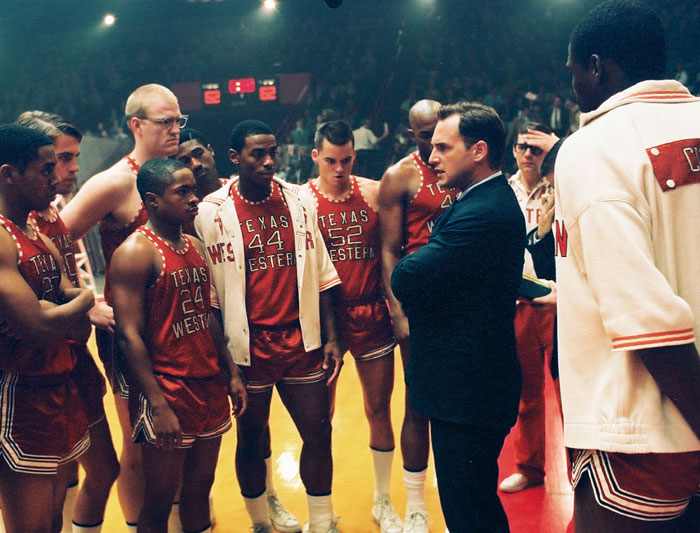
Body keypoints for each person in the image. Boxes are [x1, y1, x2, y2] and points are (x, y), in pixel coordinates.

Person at [556, 1, 700, 530]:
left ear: (597, 67)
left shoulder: (593, 148)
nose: (573, 86)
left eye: (573, 71)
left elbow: (646, 319)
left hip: (641, 428)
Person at [195, 120, 342, 533]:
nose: (268, 161)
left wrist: (333, 337)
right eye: (257, 154)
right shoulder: (209, 212)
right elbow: (210, 299)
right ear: (234, 157)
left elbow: (323, 273)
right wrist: (228, 366)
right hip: (248, 349)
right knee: (252, 440)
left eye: (272, 152)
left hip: (300, 342)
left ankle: (322, 521)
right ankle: (260, 521)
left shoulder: (300, 200)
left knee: (318, 433)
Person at [391, 102, 525, 532]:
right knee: (473, 503)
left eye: (443, 148)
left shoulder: (481, 213)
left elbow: (406, 277)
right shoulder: (479, 201)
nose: (432, 158)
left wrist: (417, 271)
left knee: (468, 509)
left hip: (467, 390)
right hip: (467, 385)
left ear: (478, 150)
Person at [61, 83, 185, 528]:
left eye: (178, 121)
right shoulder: (113, 182)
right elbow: (52, 240)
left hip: (178, 330)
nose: (175, 129)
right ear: (136, 125)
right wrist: (84, 301)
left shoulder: (178, 176)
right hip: (130, 336)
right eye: (165, 121)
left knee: (179, 435)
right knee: (138, 444)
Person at [110, 159, 247, 533]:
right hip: (168, 390)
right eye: (182, 192)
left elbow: (207, 315)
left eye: (193, 190)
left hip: (207, 384)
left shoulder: (195, 246)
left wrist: (231, 373)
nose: (194, 198)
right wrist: (157, 404)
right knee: (159, 498)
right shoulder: (134, 253)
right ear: (153, 200)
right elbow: (128, 336)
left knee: (200, 489)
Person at [18, 111, 120, 533]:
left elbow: (71, 284)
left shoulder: (53, 213)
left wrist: (84, 301)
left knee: (99, 470)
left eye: (74, 157)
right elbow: (37, 313)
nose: (73, 167)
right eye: (61, 159)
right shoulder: (14, 224)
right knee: (46, 493)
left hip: (73, 359)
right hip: (33, 373)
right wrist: (82, 305)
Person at [302, 120, 400, 533]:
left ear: (354, 156)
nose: (339, 169)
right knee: (318, 420)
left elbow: (393, 251)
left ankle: (383, 501)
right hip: (324, 322)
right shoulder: (301, 201)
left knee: (379, 410)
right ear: (315, 157)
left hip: (370, 312)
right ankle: (322, 514)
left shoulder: (374, 193)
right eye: (330, 161)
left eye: (346, 160)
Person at [0, 124, 95, 532]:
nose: (55, 179)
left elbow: (70, 309)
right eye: (44, 170)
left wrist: (70, 303)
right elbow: (38, 325)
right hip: (16, 390)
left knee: (54, 515)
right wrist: (86, 299)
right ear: (9, 174)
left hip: (55, 383)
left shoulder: (34, 231)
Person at [378, 99, 457, 533]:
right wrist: (398, 311)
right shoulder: (400, 176)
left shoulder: (461, 165)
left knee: (458, 401)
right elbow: (389, 250)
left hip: (460, 299)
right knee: (419, 402)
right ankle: (415, 504)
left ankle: (453, 498)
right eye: (426, 135)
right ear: (413, 134)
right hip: (420, 303)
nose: (434, 141)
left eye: (440, 131)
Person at [499, 122, 559, 494]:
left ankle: (582, 473)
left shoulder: (563, 187)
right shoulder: (503, 191)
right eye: (522, 147)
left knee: (571, 391)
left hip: (560, 300)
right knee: (527, 394)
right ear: (513, 150)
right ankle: (530, 468)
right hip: (520, 302)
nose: (527, 154)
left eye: (536, 149)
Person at [175, 128, 228, 199]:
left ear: (210, 150)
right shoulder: (183, 205)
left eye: (198, 154)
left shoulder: (237, 188)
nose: (196, 165)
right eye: (185, 161)